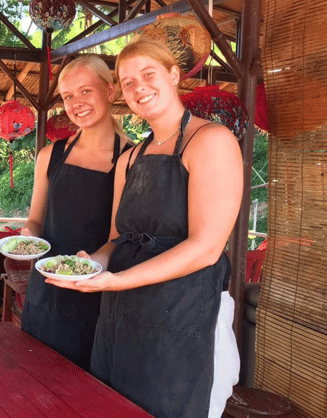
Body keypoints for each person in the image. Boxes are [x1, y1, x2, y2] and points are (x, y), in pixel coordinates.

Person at [47, 38, 243, 418]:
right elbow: (118, 237)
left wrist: (118, 280)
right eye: (127, 82)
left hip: (183, 317)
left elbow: (206, 247)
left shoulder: (211, 141)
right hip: (121, 317)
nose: (139, 88)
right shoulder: (131, 157)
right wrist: (96, 264)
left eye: (148, 75)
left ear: (173, 76)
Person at [20, 55, 131, 370]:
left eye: (86, 91)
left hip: (96, 295)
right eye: (68, 96)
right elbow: (36, 219)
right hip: (45, 292)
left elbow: (117, 238)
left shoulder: (129, 158)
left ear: (110, 91)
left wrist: (91, 264)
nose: (76, 102)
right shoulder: (49, 154)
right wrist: (27, 236)